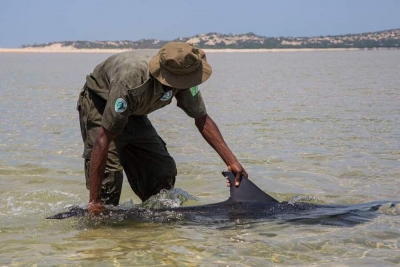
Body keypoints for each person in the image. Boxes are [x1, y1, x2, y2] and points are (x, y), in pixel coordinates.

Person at [77, 42, 247, 214]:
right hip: (101, 103)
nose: (187, 82)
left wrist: (231, 161)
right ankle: (97, 228)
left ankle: (154, 232)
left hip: (135, 112)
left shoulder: (184, 71)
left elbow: (201, 118)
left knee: (162, 170)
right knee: (109, 182)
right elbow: (103, 139)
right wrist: (94, 202)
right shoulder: (130, 79)